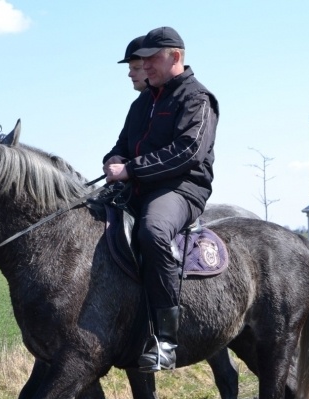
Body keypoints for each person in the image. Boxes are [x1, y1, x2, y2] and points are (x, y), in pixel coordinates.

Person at [103, 26, 219, 373]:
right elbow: (122, 145)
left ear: (175, 57)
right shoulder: (141, 103)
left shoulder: (197, 98)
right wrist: (111, 161)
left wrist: (132, 169)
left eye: (152, 58)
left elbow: (188, 152)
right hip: (139, 185)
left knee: (153, 232)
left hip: (181, 188)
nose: (144, 66)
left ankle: (166, 341)